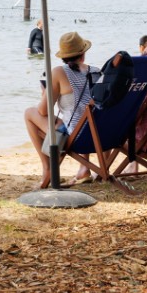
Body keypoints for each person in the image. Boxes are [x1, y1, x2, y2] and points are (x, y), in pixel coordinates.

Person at [23, 32, 98, 188]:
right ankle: (84, 168)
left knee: (29, 113)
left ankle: (48, 168)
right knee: (83, 115)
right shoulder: (96, 72)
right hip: (96, 132)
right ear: (83, 54)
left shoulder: (58, 72)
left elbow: (43, 111)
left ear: (63, 56)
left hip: (74, 134)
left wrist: (45, 94)